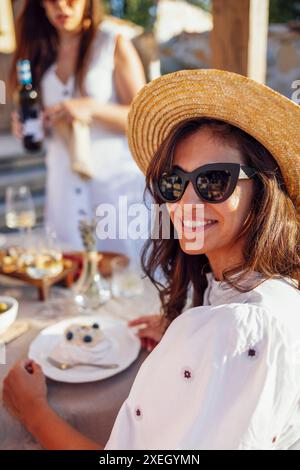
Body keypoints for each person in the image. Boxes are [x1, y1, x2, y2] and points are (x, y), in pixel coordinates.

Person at [3, 69, 300, 450]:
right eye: (174, 183)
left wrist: (34, 412)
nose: (185, 203)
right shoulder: (241, 292)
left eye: (214, 180)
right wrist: (190, 337)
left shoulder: (247, 328)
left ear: (264, 189)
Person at [10, 0, 146, 256]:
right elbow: (36, 113)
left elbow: (145, 118)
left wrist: (92, 108)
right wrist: (29, 123)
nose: (62, 7)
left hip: (114, 190)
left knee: (125, 276)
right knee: (71, 273)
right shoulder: (36, 51)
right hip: (63, 191)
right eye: (51, 0)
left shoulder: (112, 43)